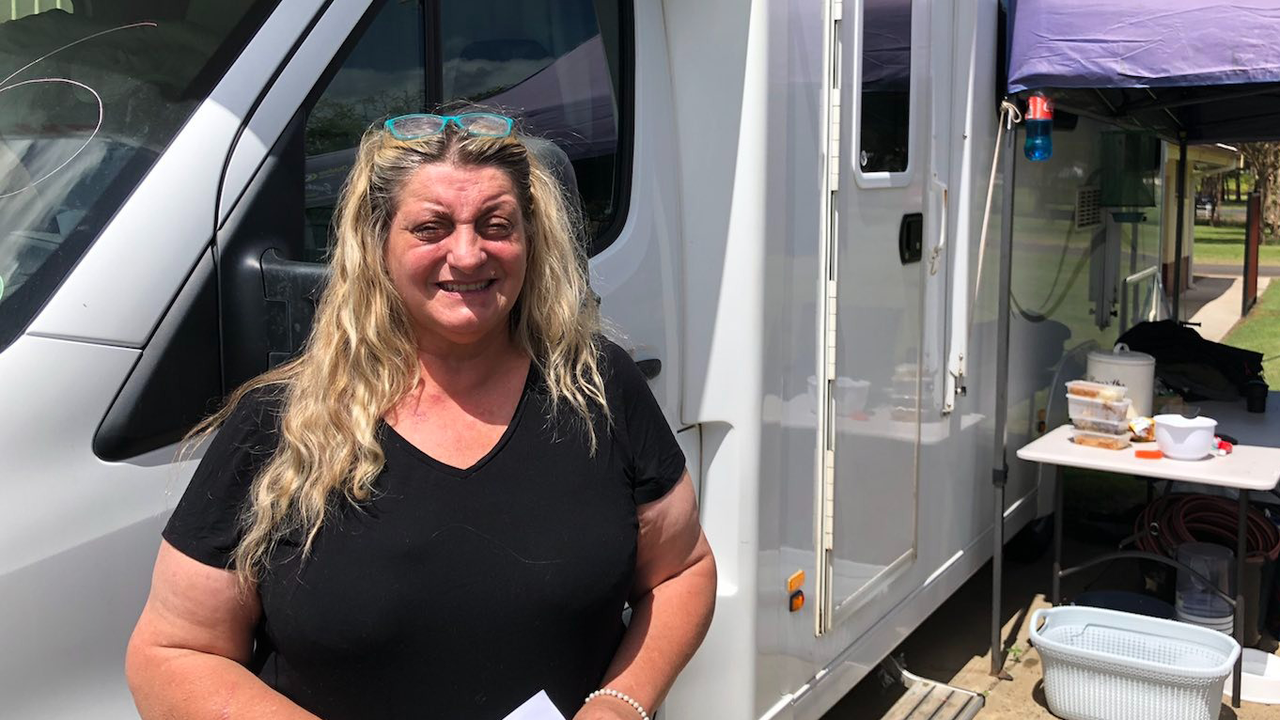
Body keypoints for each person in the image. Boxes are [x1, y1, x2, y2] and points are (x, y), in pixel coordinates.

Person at [125, 112, 716, 720]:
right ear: (377, 244)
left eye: (496, 225)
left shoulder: (598, 387)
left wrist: (619, 705)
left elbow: (681, 572)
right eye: (431, 228)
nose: (468, 253)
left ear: (531, 239)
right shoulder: (282, 423)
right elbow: (173, 652)